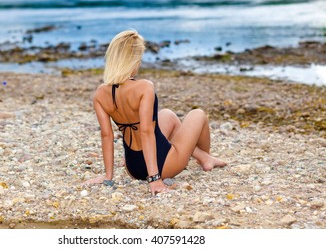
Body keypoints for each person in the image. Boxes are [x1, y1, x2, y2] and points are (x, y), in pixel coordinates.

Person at [84, 30, 226, 195]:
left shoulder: (101, 93)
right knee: (198, 114)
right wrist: (155, 179)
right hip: (162, 166)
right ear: (133, 59)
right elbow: (146, 132)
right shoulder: (144, 87)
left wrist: (108, 176)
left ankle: (203, 158)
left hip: (133, 168)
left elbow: (106, 136)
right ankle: (206, 159)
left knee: (167, 115)